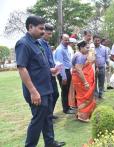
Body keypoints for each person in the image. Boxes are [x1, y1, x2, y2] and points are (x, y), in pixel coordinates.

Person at [15, 15, 65, 147]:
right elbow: (22, 68)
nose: (43, 31)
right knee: (38, 120)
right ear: (30, 27)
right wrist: (33, 91)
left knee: (48, 118)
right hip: (37, 91)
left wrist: (51, 71)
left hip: (46, 88)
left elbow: (38, 66)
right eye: (41, 28)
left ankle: (50, 143)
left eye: (44, 29)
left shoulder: (37, 43)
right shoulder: (23, 43)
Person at [38, 23, 59, 120]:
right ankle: (47, 116)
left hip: (52, 74)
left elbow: (50, 59)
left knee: (55, 94)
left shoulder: (47, 44)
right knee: (49, 96)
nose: (50, 36)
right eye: (48, 34)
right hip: (45, 74)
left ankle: (50, 113)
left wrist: (55, 67)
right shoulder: (39, 44)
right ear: (43, 32)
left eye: (51, 34)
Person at [71, 41, 96, 122]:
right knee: (84, 97)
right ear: (81, 48)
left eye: (89, 48)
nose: (88, 49)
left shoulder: (81, 55)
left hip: (81, 79)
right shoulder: (80, 56)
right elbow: (78, 70)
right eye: (87, 48)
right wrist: (85, 82)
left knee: (84, 96)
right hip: (81, 80)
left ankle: (82, 114)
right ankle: (82, 116)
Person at [54, 34, 74, 114]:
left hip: (67, 71)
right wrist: (64, 77)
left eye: (68, 40)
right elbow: (60, 64)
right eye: (65, 40)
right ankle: (65, 109)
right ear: (61, 40)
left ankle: (68, 106)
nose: (67, 41)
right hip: (63, 72)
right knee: (64, 90)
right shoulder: (60, 49)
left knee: (67, 90)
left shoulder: (66, 48)